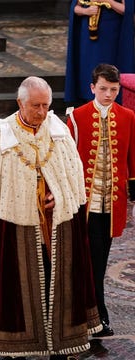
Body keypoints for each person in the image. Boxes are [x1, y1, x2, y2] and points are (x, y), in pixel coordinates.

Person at [0, 76, 101, 359]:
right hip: (12, 229)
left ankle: (59, 345)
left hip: (54, 228)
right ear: (20, 102)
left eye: (47, 105)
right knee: (16, 290)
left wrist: (59, 194)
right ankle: (16, 346)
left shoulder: (58, 130)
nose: (42, 112)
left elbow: (74, 178)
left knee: (56, 284)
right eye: (36, 106)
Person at [67, 64, 135, 337]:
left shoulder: (128, 116)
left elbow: (133, 157)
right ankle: (84, 313)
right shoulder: (77, 117)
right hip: (83, 203)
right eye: (104, 89)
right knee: (80, 259)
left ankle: (97, 313)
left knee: (100, 260)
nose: (108, 94)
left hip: (111, 203)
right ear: (92, 87)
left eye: (114, 90)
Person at [64, 0, 134, 104]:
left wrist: (108, 1)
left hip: (111, 34)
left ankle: (111, 99)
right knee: (88, 66)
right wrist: (86, 11)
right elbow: (75, 8)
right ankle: (88, 99)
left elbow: (126, 9)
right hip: (87, 34)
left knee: (108, 67)